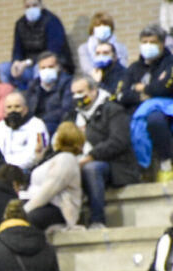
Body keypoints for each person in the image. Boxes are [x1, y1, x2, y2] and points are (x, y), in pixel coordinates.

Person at [66, 75, 141, 229]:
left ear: (93, 91)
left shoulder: (113, 110)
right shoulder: (73, 116)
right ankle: (68, 222)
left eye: (81, 91)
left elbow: (118, 141)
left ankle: (97, 220)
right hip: (78, 161)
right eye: (74, 93)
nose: (77, 97)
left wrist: (90, 157)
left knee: (91, 169)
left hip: (115, 165)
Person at [116, 24, 173, 181]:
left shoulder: (170, 63)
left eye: (152, 42)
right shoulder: (134, 68)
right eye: (144, 42)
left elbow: (164, 89)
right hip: (137, 108)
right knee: (119, 121)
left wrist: (142, 87)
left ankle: (166, 163)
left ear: (162, 43)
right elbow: (121, 95)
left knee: (155, 119)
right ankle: (136, 170)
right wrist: (143, 95)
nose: (148, 46)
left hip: (165, 108)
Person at [22, 121, 83, 230]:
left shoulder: (67, 159)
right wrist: (39, 158)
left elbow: (49, 189)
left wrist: (25, 209)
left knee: (27, 219)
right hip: (37, 203)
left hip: (57, 208)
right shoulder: (52, 158)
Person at [7, 0, 74, 89]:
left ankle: (36, 98)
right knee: (3, 69)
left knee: (39, 69)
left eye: (34, 5)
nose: (31, 9)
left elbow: (53, 52)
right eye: (28, 7)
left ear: (41, 5)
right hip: (27, 66)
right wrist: (16, 62)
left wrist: (28, 62)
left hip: (51, 63)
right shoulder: (20, 24)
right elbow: (17, 49)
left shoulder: (52, 21)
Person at [0, 91, 48, 170]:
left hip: (27, 170)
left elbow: (36, 154)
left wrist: (13, 169)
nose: (13, 110)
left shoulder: (38, 125)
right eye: (9, 107)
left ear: (25, 109)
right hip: (1, 170)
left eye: (17, 106)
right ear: (4, 111)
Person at [25, 51, 73, 136]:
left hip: (58, 124)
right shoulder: (33, 86)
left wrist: (42, 120)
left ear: (58, 67)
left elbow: (66, 109)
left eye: (51, 67)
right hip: (36, 126)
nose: (47, 70)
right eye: (43, 68)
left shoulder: (67, 82)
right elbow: (28, 110)